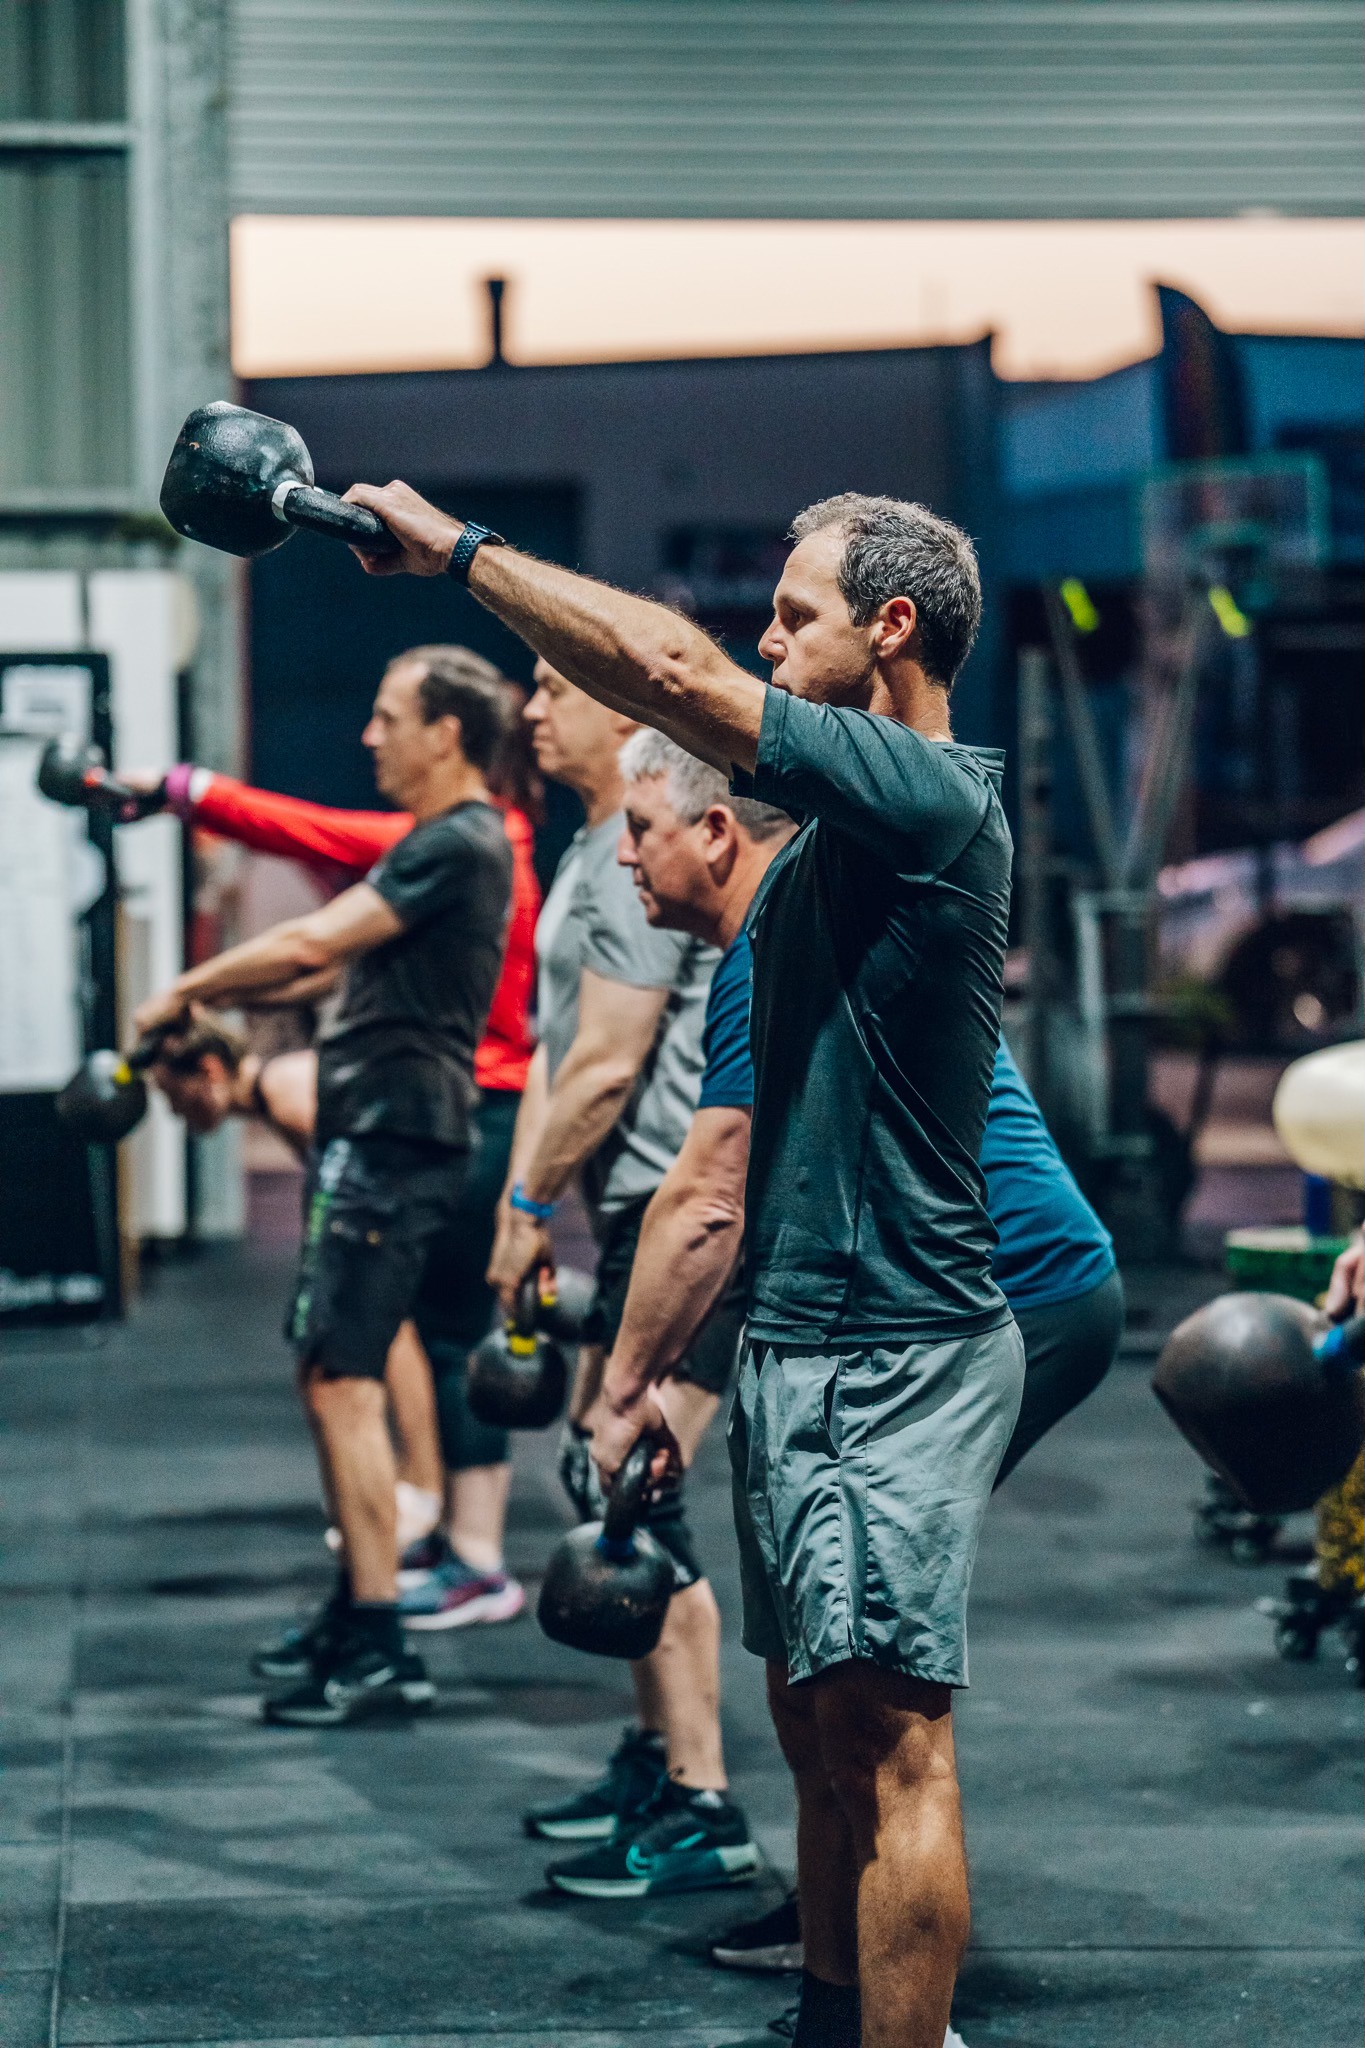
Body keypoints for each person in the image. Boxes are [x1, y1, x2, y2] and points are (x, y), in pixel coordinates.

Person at [346, 481, 1023, 2048]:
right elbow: (743, 1148)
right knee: (809, 1721)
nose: (768, 642)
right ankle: (828, 2013)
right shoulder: (814, 862)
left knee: (894, 1737)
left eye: (796, 615)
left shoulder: (930, 801)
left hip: (896, 1341)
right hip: (802, 1333)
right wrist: (684, 1368)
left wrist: (456, 554)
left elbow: (673, 680)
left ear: (894, 630)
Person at [547, 730, 1122, 1929]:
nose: (625, 860)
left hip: (1015, 1294)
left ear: (716, 831)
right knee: (822, 1651)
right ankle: (838, 1913)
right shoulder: (771, 939)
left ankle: (883, 1950)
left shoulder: (782, 937)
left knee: (862, 1663)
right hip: (910, 1305)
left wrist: (623, 1388)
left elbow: (711, 1189)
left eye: (641, 832)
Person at [136, 645, 512, 1727]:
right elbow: (312, 966)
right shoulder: (429, 848)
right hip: (372, 1128)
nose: (368, 735)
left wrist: (181, 988)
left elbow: (312, 934)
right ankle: (359, 1608)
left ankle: (384, 1640)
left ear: (446, 732)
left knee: (348, 1379)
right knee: (328, 1372)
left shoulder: (459, 838)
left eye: (389, 716)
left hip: (398, 1139)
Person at [484, 660, 757, 1883]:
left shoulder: (623, 854)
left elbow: (604, 1061)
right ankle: (657, 1754)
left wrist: (531, 1202)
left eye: (554, 688)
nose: (534, 710)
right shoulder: (600, 846)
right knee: (601, 1474)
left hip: (677, 1203)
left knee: (641, 1496)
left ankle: (704, 1802)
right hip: (634, 1202)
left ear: (625, 712)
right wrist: (528, 1199)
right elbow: (558, 1049)